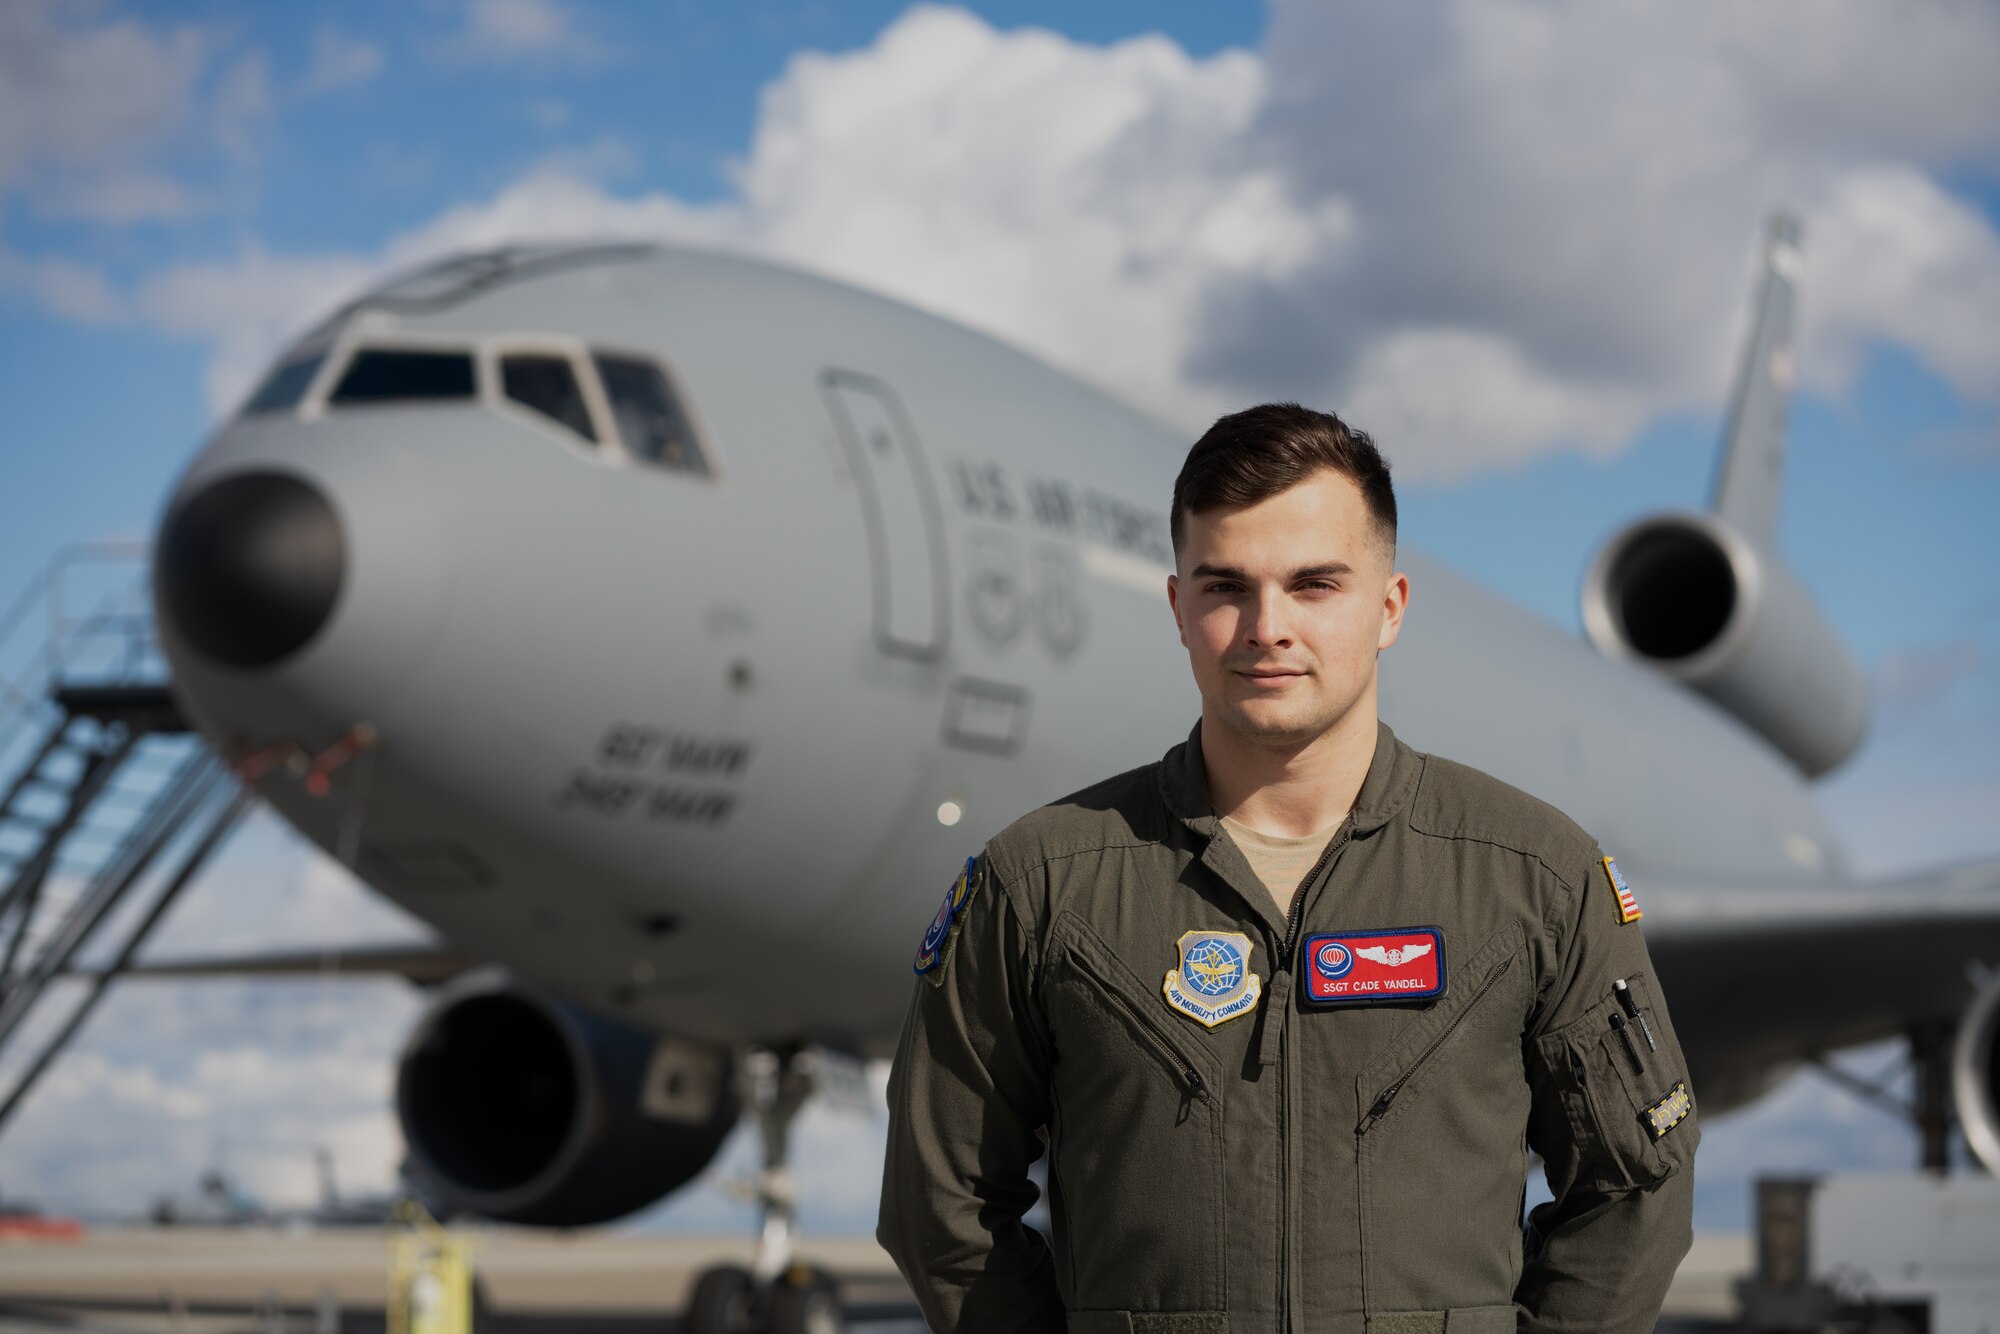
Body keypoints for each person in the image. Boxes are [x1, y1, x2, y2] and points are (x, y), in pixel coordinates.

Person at [878, 403, 1696, 1333]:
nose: (1267, 627)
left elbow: (1636, 1185)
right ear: (1178, 608)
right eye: (1226, 587)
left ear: (1388, 608)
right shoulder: (1040, 884)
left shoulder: (1535, 876)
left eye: (1314, 585)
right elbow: (938, 1202)